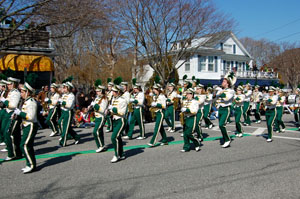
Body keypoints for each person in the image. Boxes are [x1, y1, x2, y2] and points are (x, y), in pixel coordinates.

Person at [13, 78, 38, 174]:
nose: (21, 93)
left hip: (30, 125)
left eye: (23, 92)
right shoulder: (26, 101)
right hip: (27, 125)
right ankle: (30, 164)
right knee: (28, 146)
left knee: (24, 145)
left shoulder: (31, 102)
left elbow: (30, 116)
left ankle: (31, 165)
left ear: (28, 92)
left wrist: (20, 113)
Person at [0, 77, 22, 160]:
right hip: (8, 112)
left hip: (13, 114)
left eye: (9, 84)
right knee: (13, 134)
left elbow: (13, 105)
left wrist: (4, 100)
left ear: (13, 84)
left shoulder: (15, 93)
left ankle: (11, 153)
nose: (8, 85)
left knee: (8, 133)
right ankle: (17, 152)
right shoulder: (11, 92)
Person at [108, 80, 127, 163]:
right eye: (113, 91)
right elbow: (112, 111)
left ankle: (116, 155)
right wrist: (109, 112)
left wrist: (114, 109)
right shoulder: (113, 99)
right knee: (118, 138)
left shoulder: (123, 100)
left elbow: (122, 112)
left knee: (114, 137)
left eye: (115, 91)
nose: (113, 93)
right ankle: (121, 153)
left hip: (121, 120)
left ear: (119, 92)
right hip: (115, 120)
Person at [216, 72, 236, 148]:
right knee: (220, 126)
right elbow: (215, 98)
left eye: (224, 81)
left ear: (227, 83)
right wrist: (215, 92)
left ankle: (227, 140)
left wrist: (220, 92)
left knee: (222, 125)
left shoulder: (231, 91)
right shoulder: (222, 90)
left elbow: (226, 98)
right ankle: (225, 139)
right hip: (220, 108)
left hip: (226, 109)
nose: (222, 82)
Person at [59, 80, 80, 147]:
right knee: (61, 123)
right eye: (64, 87)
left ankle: (63, 142)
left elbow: (69, 105)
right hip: (63, 111)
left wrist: (62, 102)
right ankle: (76, 137)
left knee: (65, 127)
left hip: (68, 112)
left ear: (69, 88)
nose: (63, 89)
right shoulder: (64, 95)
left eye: (65, 87)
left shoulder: (71, 96)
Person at [180, 88, 201, 152]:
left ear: (192, 95)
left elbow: (195, 111)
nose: (188, 95)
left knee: (189, 133)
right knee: (185, 134)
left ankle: (196, 143)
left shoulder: (195, 102)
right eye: (187, 94)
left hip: (192, 118)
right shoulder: (185, 101)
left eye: (189, 94)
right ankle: (186, 147)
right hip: (186, 118)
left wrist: (187, 110)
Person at [90, 80, 108, 152]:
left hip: (101, 117)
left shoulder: (104, 99)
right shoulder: (97, 98)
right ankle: (102, 145)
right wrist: (91, 106)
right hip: (97, 117)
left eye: (99, 91)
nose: (97, 93)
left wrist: (95, 106)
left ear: (102, 91)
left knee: (95, 132)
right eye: (97, 91)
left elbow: (102, 110)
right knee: (99, 132)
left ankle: (100, 146)